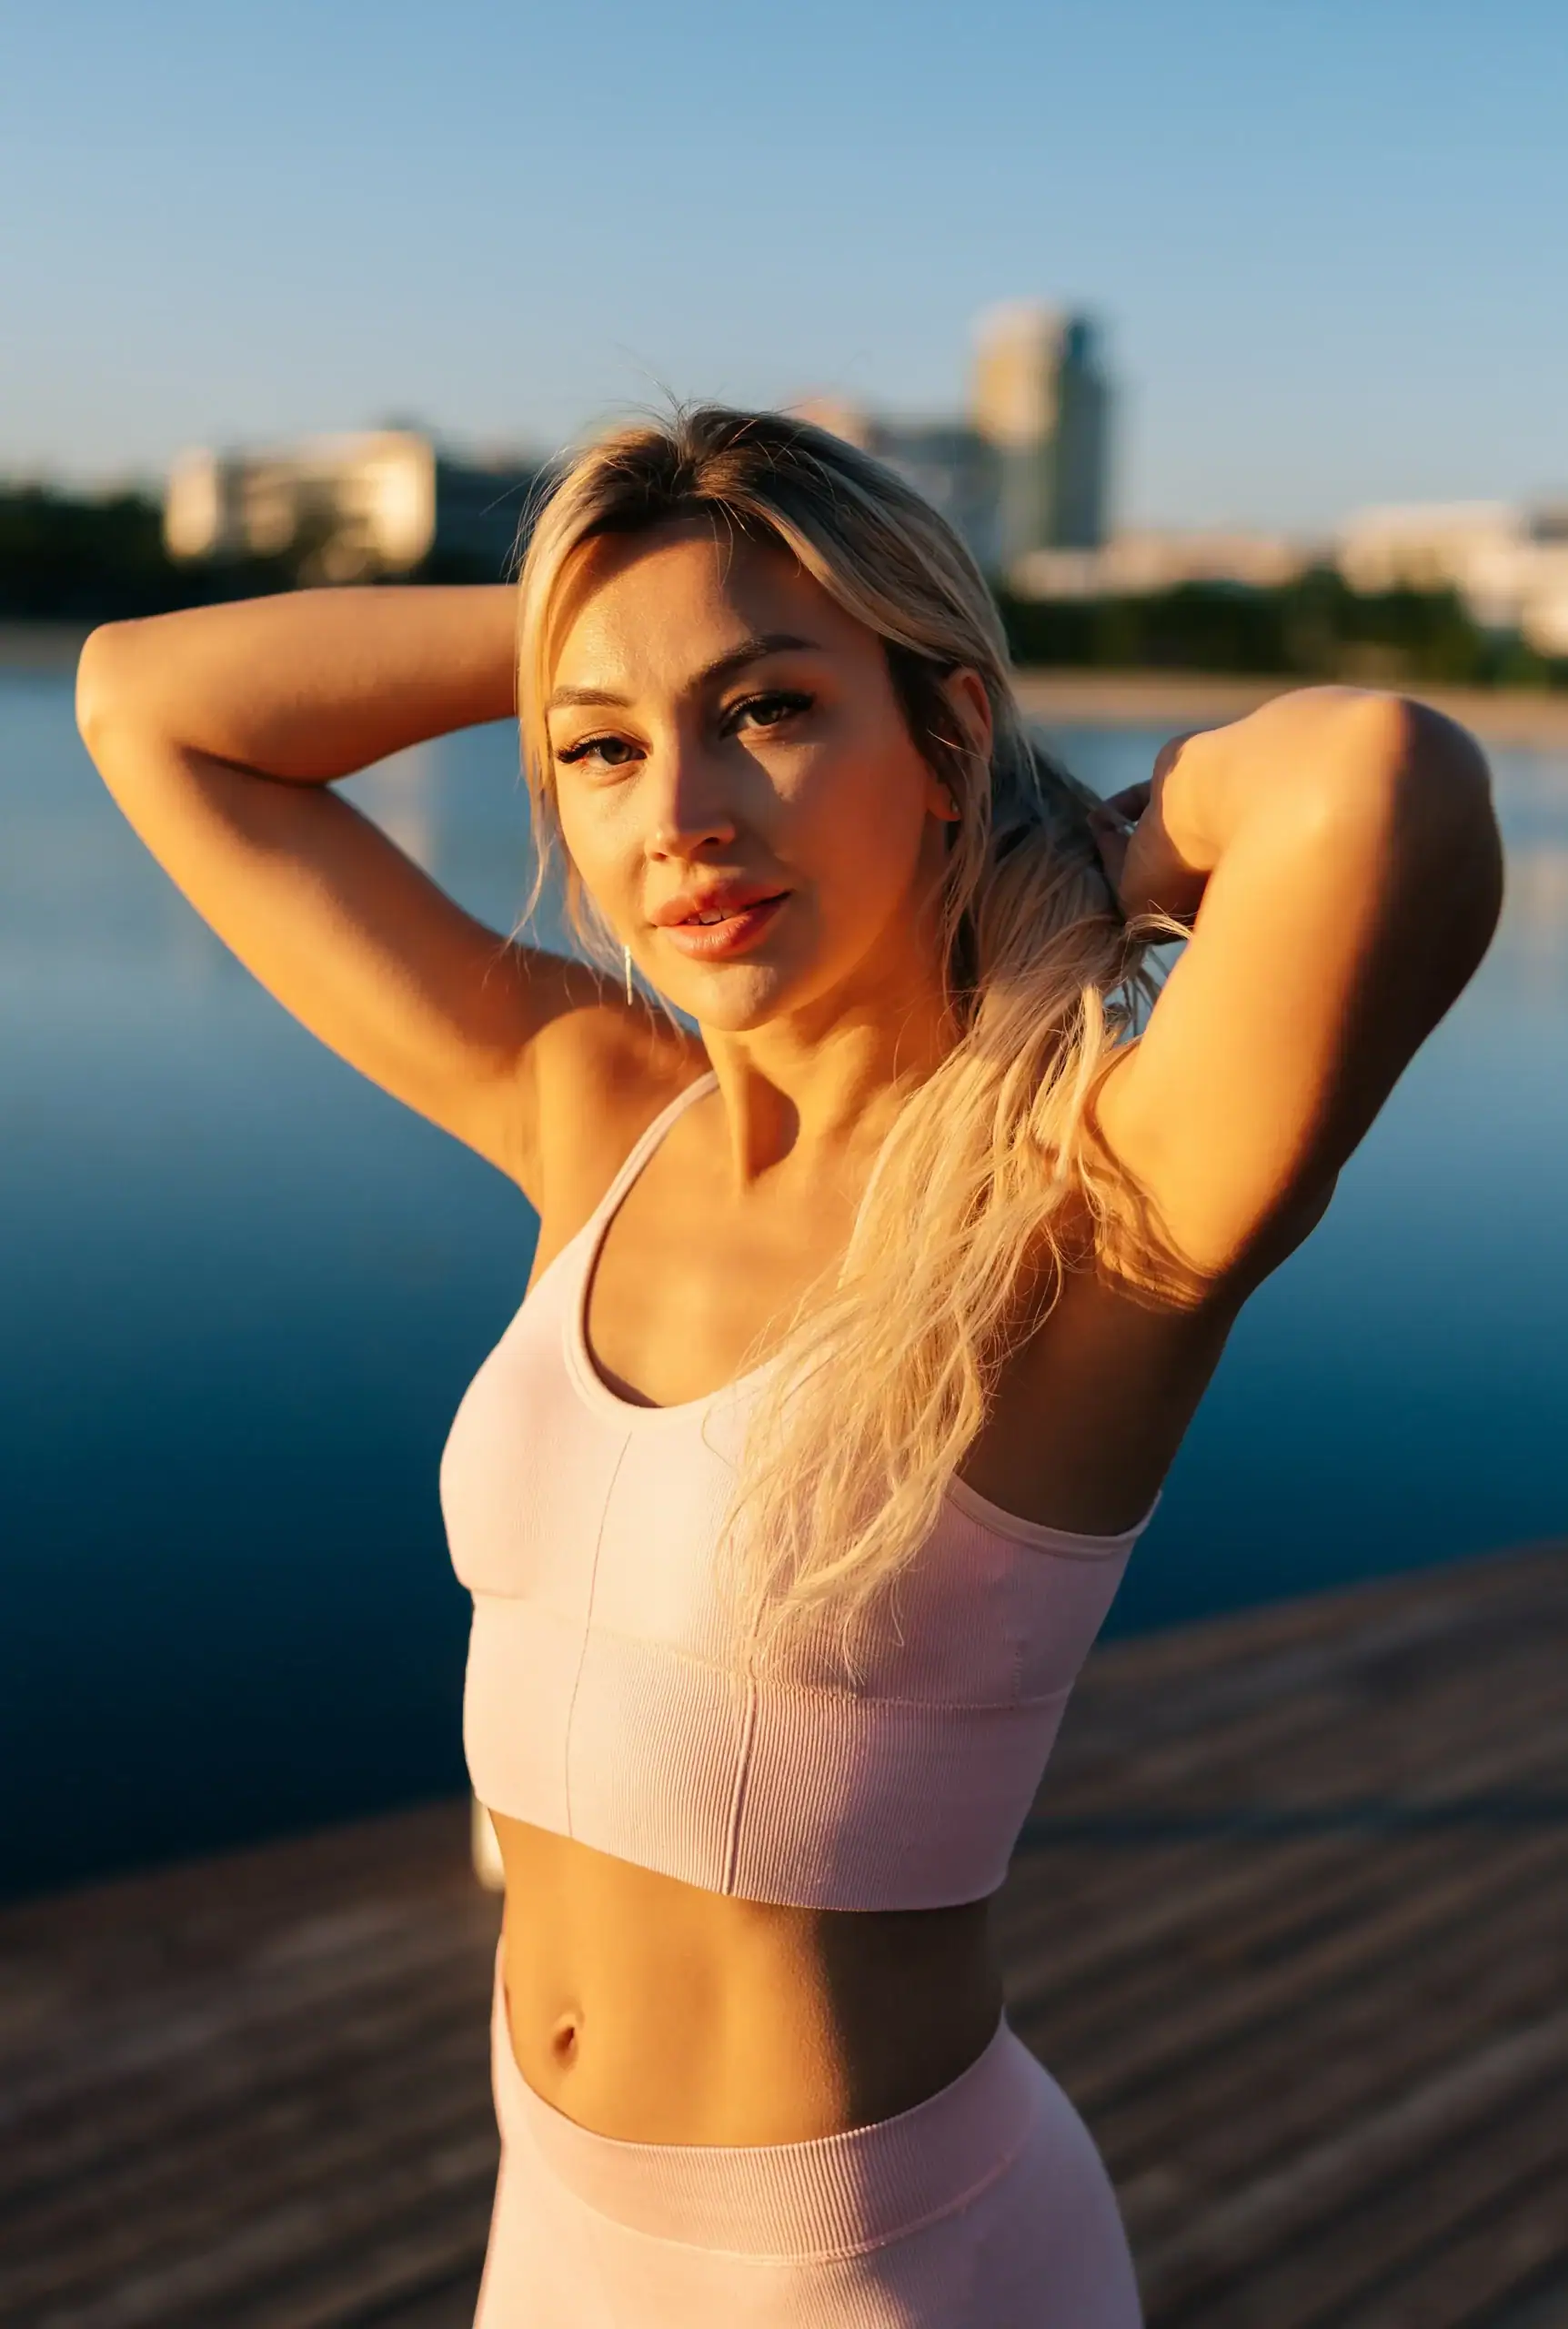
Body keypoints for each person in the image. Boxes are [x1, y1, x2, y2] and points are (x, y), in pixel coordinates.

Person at [75, 405, 1503, 2326]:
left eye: (764, 711)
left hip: (873, 2271)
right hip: (549, 2218)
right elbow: (141, 700)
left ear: (943, 735)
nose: (677, 814)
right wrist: (576, 620)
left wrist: (1097, 843)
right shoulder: (594, 1108)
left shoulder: (1082, 1213)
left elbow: (1380, 779)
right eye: (599, 748)